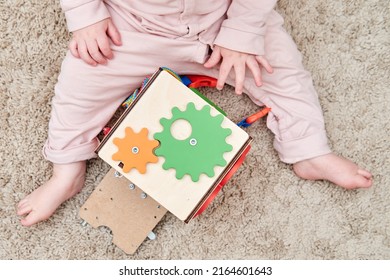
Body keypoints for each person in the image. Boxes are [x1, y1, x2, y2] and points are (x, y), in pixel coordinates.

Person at [17, 0, 372, 227]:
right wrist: (84, 16)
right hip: (131, 25)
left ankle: (309, 149)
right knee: (79, 85)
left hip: (224, 23)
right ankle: (67, 171)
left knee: (284, 75)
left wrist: (242, 32)